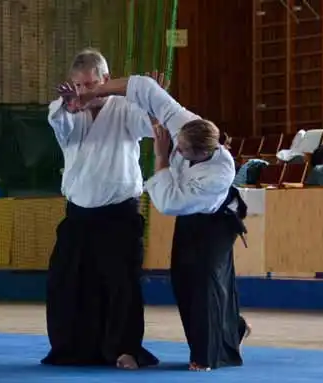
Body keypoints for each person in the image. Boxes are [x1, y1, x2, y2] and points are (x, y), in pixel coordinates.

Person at [74, 74, 251, 371]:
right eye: (176, 145)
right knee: (182, 278)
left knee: (203, 281)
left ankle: (207, 356)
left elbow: (168, 203)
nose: (176, 149)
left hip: (216, 222)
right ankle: (233, 329)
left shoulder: (217, 175)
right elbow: (143, 86)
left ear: (204, 153)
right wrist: (95, 92)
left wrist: (161, 157)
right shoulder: (184, 122)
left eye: (182, 150)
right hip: (190, 217)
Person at [42, 49, 160, 370]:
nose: (85, 92)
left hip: (118, 214)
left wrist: (153, 100)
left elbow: (152, 126)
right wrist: (69, 105)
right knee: (66, 283)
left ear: (107, 80)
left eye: (91, 84)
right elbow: (60, 124)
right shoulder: (65, 109)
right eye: (78, 86)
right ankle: (73, 348)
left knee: (122, 285)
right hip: (78, 215)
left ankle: (124, 349)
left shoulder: (126, 108)